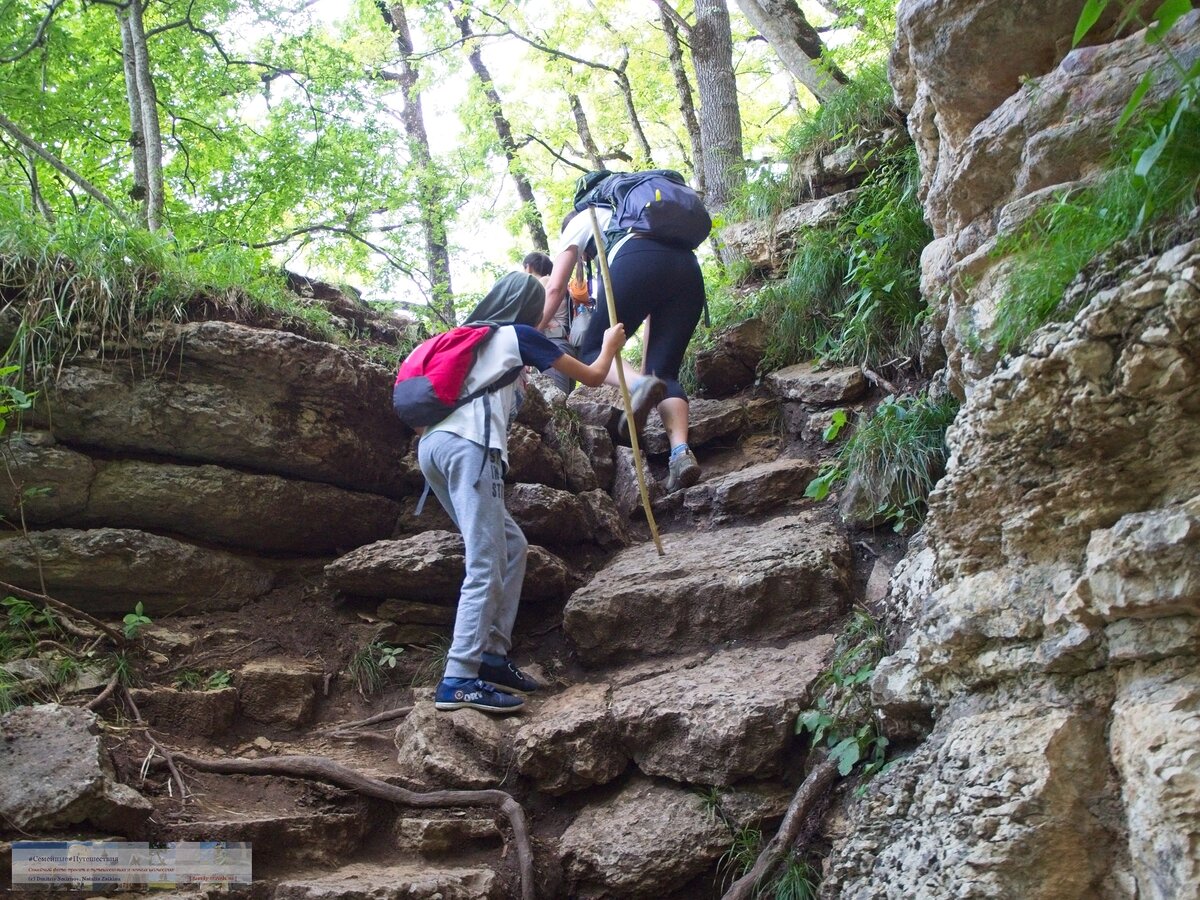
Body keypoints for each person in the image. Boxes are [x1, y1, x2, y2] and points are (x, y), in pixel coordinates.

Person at [417, 271, 626, 714]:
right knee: (486, 557)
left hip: (435, 447)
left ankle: (491, 655)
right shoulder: (517, 336)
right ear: (529, 310)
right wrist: (609, 344)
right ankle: (458, 678)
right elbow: (590, 377)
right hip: (471, 447)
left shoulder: (466, 337)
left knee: (510, 545)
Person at [539, 208, 704, 492]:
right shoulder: (635, 214)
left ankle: (640, 385)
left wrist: (528, 333)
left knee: (591, 351)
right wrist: (650, 374)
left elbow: (555, 288)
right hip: (687, 267)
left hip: (637, 260)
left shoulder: (581, 219)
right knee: (663, 373)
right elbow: (654, 310)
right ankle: (680, 454)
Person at [523, 250, 574, 395]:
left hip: (553, 344)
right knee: (564, 400)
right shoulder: (556, 283)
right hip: (563, 343)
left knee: (555, 399)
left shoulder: (544, 281)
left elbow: (536, 315)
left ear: (529, 267)